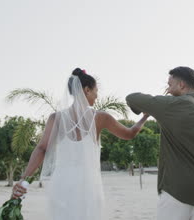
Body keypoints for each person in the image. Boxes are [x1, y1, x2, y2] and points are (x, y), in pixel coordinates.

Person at [12, 68, 148, 219]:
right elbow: (130, 134)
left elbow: (41, 149)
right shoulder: (100, 118)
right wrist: (144, 117)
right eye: (96, 90)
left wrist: (24, 178)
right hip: (88, 187)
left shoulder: (55, 118)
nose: (97, 96)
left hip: (61, 186)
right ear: (87, 90)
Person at [126, 66, 194, 220]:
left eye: (169, 84)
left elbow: (132, 98)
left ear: (181, 85)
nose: (167, 89)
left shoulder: (170, 105)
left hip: (176, 190)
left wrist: (145, 110)